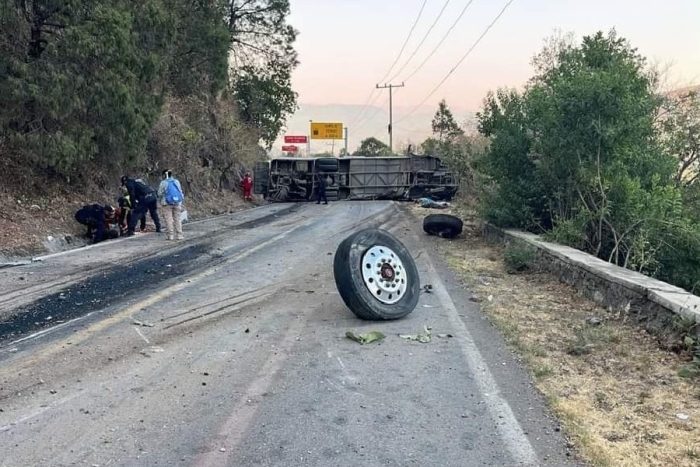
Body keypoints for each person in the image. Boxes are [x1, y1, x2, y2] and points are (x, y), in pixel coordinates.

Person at [157, 169, 185, 241]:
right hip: (177, 203)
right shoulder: (176, 181)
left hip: (166, 203)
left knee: (169, 219)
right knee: (177, 219)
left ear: (164, 175)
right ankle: (179, 235)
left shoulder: (163, 183)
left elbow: (159, 194)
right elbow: (180, 191)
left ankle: (170, 235)